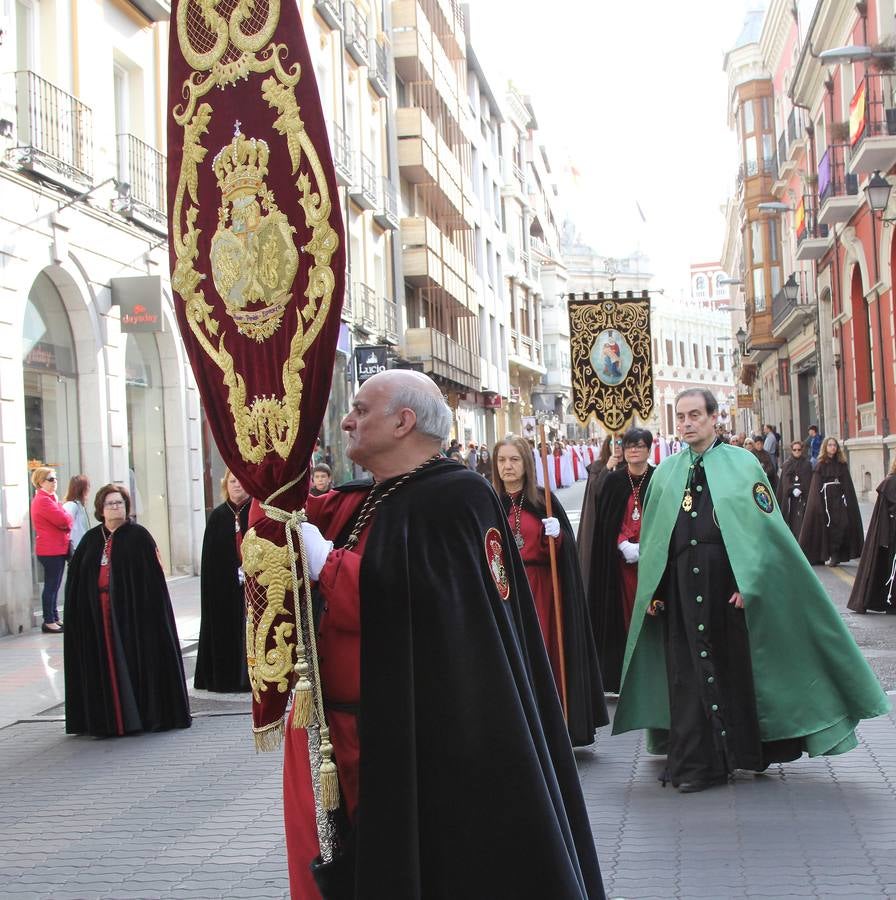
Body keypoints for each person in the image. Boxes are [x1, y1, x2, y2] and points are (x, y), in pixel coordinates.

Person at [284, 370, 605, 899]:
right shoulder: (376, 497)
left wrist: (327, 564)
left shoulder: (456, 498)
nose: (346, 420)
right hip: (356, 729)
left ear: (403, 422)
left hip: (422, 735)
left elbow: (420, 609)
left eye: (361, 410)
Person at [613, 388, 889, 794]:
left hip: (727, 585)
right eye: (681, 416)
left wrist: (750, 582)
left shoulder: (743, 466)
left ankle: (735, 753)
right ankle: (696, 761)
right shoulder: (667, 473)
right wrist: (654, 588)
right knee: (686, 674)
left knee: (729, 669)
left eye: (695, 415)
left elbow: (764, 533)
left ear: (713, 418)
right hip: (680, 587)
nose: (687, 423)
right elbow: (657, 537)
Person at [492, 434, 607, 745]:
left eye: (514, 459)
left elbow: (562, 554)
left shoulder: (543, 501)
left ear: (527, 464)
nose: (507, 466)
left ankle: (553, 725)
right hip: (505, 594)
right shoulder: (490, 503)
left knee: (544, 653)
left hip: (541, 592)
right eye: (502, 460)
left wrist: (558, 538)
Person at [64, 484, 191, 737]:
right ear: (101, 508)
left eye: (120, 503)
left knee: (132, 662)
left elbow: (151, 584)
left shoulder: (139, 537)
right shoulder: (90, 540)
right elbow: (77, 583)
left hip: (132, 616)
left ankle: (140, 717)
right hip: (98, 615)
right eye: (110, 503)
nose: (115, 507)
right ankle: (105, 720)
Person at [584, 427, 654, 693]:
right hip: (620, 567)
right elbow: (605, 522)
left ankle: (650, 671)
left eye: (639, 445)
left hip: (651, 564)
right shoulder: (614, 482)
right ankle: (623, 673)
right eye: (629, 446)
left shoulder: (658, 479)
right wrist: (622, 542)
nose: (634, 450)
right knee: (622, 617)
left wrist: (646, 547)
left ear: (648, 448)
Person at [194, 471, 252, 693]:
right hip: (224, 587)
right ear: (225, 485)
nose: (237, 486)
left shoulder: (256, 511)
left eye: (241, 481)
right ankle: (227, 678)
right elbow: (211, 559)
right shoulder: (218, 517)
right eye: (232, 481)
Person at [799, 437, 864, 566]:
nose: (832, 447)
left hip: (839, 500)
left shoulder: (842, 464)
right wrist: (817, 503)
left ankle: (838, 554)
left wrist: (847, 499)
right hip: (825, 500)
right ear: (825, 447)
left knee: (842, 525)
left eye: (834, 445)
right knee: (827, 527)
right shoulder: (820, 465)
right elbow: (816, 486)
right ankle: (829, 555)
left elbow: (847, 484)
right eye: (829, 445)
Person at [848, 457, 896, 614]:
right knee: (891, 567)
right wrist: (884, 537)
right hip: (892, 532)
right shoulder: (889, 483)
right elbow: (882, 513)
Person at [577, 436, 622, 595]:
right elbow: (596, 490)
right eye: (613, 443)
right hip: (601, 524)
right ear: (607, 445)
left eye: (621, 443)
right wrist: (607, 468)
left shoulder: (629, 466)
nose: (617, 446)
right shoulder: (598, 467)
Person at [30, 466, 72, 634]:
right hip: (50, 550)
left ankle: (54, 617)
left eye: (55, 478)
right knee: (51, 586)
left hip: (56, 548)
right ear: (41, 482)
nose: (55, 482)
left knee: (54, 586)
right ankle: (48, 620)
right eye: (51, 479)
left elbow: (65, 519)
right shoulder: (43, 500)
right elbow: (64, 520)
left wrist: (66, 518)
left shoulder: (51, 498)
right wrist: (67, 519)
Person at [776, 441, 813, 539]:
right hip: (791, 499)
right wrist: (791, 489)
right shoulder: (787, 464)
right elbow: (785, 481)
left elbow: (809, 480)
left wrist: (801, 489)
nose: (797, 451)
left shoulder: (807, 464)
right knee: (792, 521)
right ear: (791, 450)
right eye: (795, 450)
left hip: (803, 497)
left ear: (802, 450)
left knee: (802, 523)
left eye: (799, 449)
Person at [62, 475, 91, 552]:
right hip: (76, 546)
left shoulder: (79, 505)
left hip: (82, 545)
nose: (89, 489)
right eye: (87, 486)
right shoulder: (71, 505)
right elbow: (65, 525)